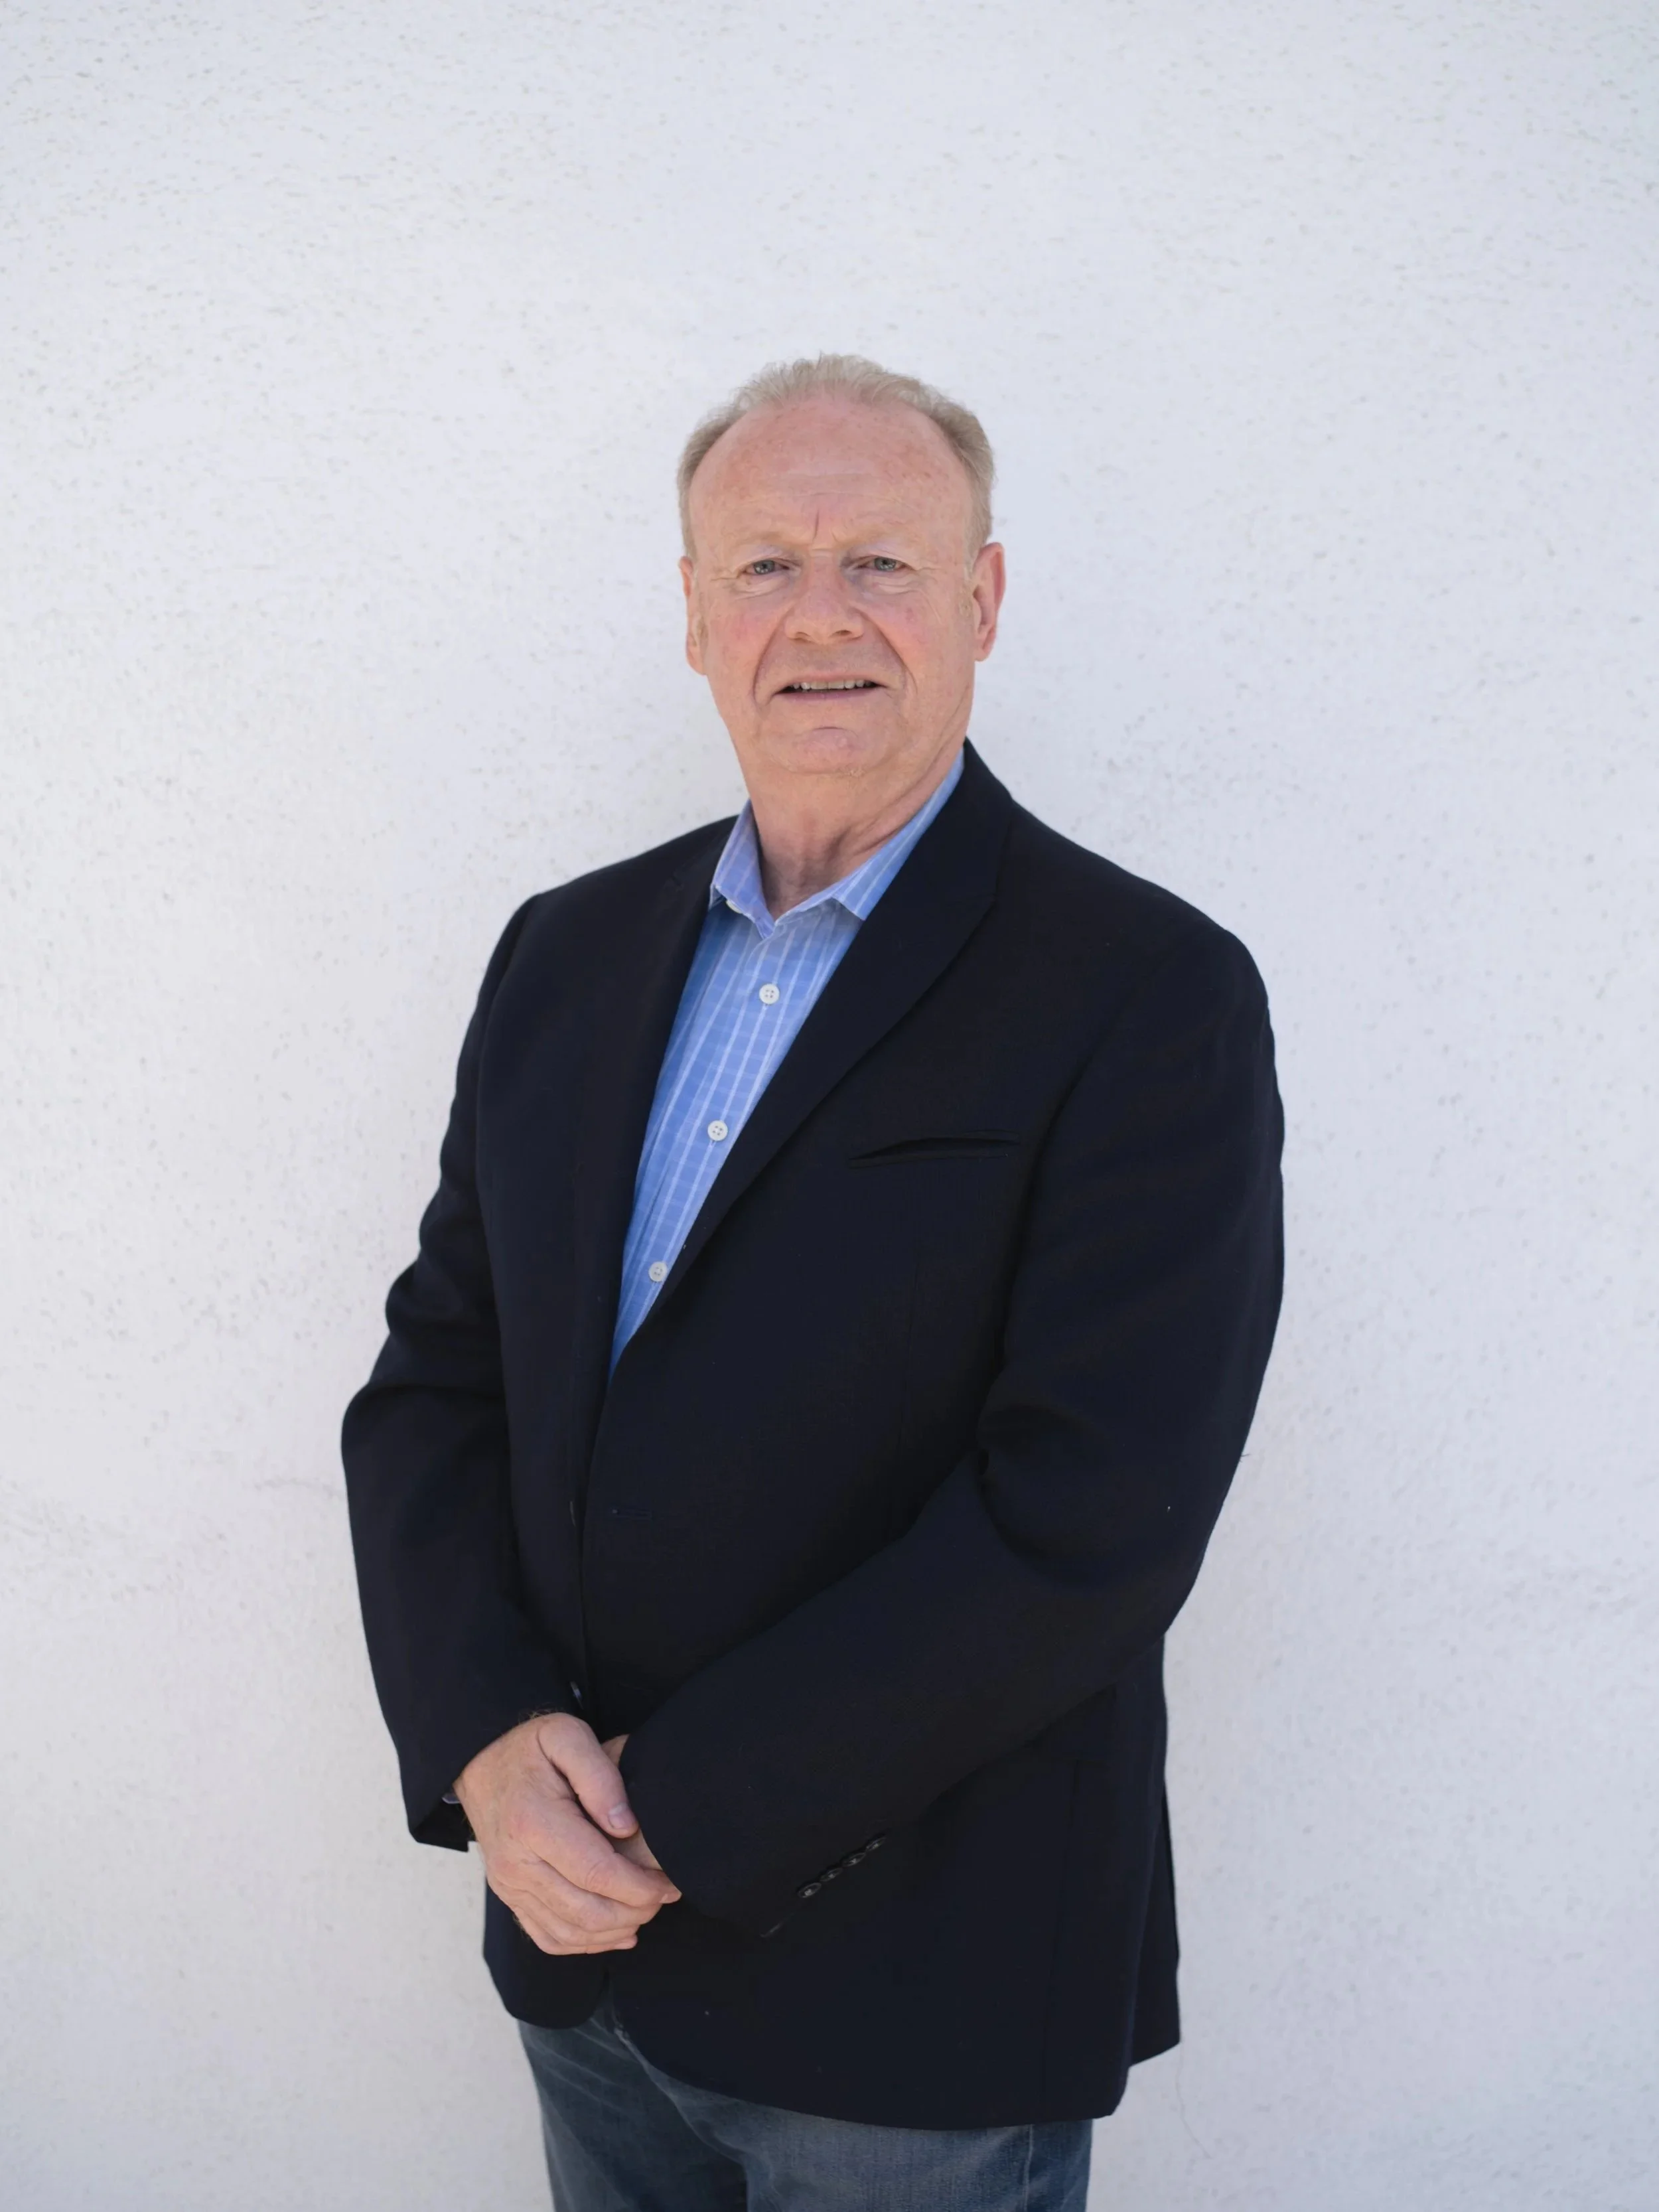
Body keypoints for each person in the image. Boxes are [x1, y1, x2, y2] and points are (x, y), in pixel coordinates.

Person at [342, 354, 1283, 2211]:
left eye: (882, 562)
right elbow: (440, 1383)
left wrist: (674, 1809)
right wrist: (487, 1743)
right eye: (766, 565)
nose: (822, 615)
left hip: (917, 2001)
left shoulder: (1146, 990)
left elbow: (1091, 1516)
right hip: (582, 1967)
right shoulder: (563, 953)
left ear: (981, 601)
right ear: (697, 617)